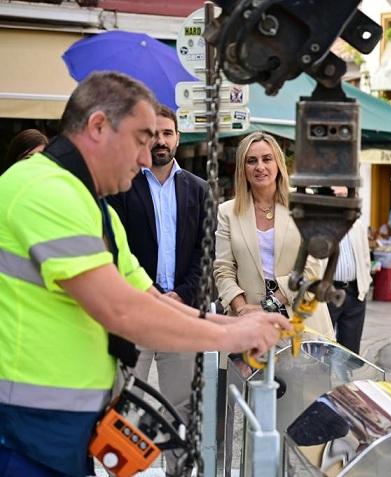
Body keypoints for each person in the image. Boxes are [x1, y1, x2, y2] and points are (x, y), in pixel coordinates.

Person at [0, 72, 289, 477]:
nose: (145, 156)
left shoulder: (90, 204)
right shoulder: (45, 191)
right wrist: (231, 335)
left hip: (57, 427)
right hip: (22, 426)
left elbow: (146, 297)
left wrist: (239, 320)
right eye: (140, 139)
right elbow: (121, 311)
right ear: (99, 126)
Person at [106, 105, 207, 476]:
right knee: (123, 402)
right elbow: (114, 249)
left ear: (178, 138)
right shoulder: (122, 188)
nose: (161, 141)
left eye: (168, 133)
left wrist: (182, 294)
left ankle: (176, 473)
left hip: (179, 315)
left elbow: (205, 253)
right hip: (135, 314)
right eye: (155, 134)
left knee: (179, 406)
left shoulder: (200, 190)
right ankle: (123, 470)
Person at [214, 132, 334, 337]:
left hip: (301, 318)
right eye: (251, 161)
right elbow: (223, 270)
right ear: (243, 169)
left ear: (278, 163)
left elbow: (312, 268)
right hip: (249, 324)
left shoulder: (304, 205)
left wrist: (269, 304)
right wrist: (242, 309)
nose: (260, 167)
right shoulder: (227, 212)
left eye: (267, 159)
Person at [327, 188, 372, 353]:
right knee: (322, 347)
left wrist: (365, 285)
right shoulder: (317, 225)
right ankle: (323, 379)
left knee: (350, 351)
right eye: (336, 196)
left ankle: (346, 379)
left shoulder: (357, 225)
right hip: (328, 293)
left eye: (345, 196)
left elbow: (366, 258)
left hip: (354, 292)